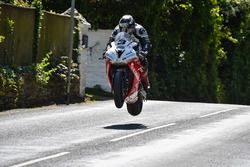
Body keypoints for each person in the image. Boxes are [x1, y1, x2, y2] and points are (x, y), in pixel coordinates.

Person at [106, 15, 151, 91]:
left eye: (128, 28)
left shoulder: (140, 29)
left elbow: (146, 42)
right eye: (122, 28)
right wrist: (106, 50)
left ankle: (145, 82)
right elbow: (110, 42)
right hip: (121, 49)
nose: (125, 30)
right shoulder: (117, 29)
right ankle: (113, 80)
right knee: (108, 59)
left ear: (133, 25)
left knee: (144, 62)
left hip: (136, 49)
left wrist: (144, 52)